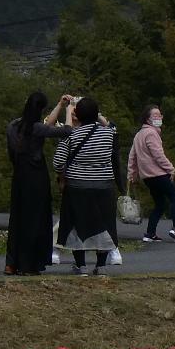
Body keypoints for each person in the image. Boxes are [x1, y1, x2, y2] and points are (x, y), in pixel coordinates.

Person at [4, 91, 75, 275]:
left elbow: (46, 125)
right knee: (35, 219)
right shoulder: (36, 129)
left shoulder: (14, 126)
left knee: (18, 218)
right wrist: (69, 110)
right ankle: (29, 264)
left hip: (19, 176)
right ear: (40, 110)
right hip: (36, 177)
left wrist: (59, 105)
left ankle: (11, 263)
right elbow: (67, 131)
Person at [53, 95, 126, 275]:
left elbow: (57, 163)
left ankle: (81, 265)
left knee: (78, 225)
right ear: (97, 114)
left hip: (77, 187)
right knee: (103, 225)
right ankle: (100, 265)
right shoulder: (109, 134)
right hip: (104, 186)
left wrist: (69, 110)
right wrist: (98, 116)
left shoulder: (72, 135)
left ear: (77, 114)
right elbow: (110, 125)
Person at [128, 105, 175, 244]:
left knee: (160, 204)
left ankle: (150, 233)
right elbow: (158, 155)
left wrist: (132, 174)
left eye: (160, 115)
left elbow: (132, 156)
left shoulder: (139, 134)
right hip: (158, 174)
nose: (159, 118)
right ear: (148, 119)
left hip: (147, 176)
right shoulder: (151, 133)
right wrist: (170, 168)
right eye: (155, 115)